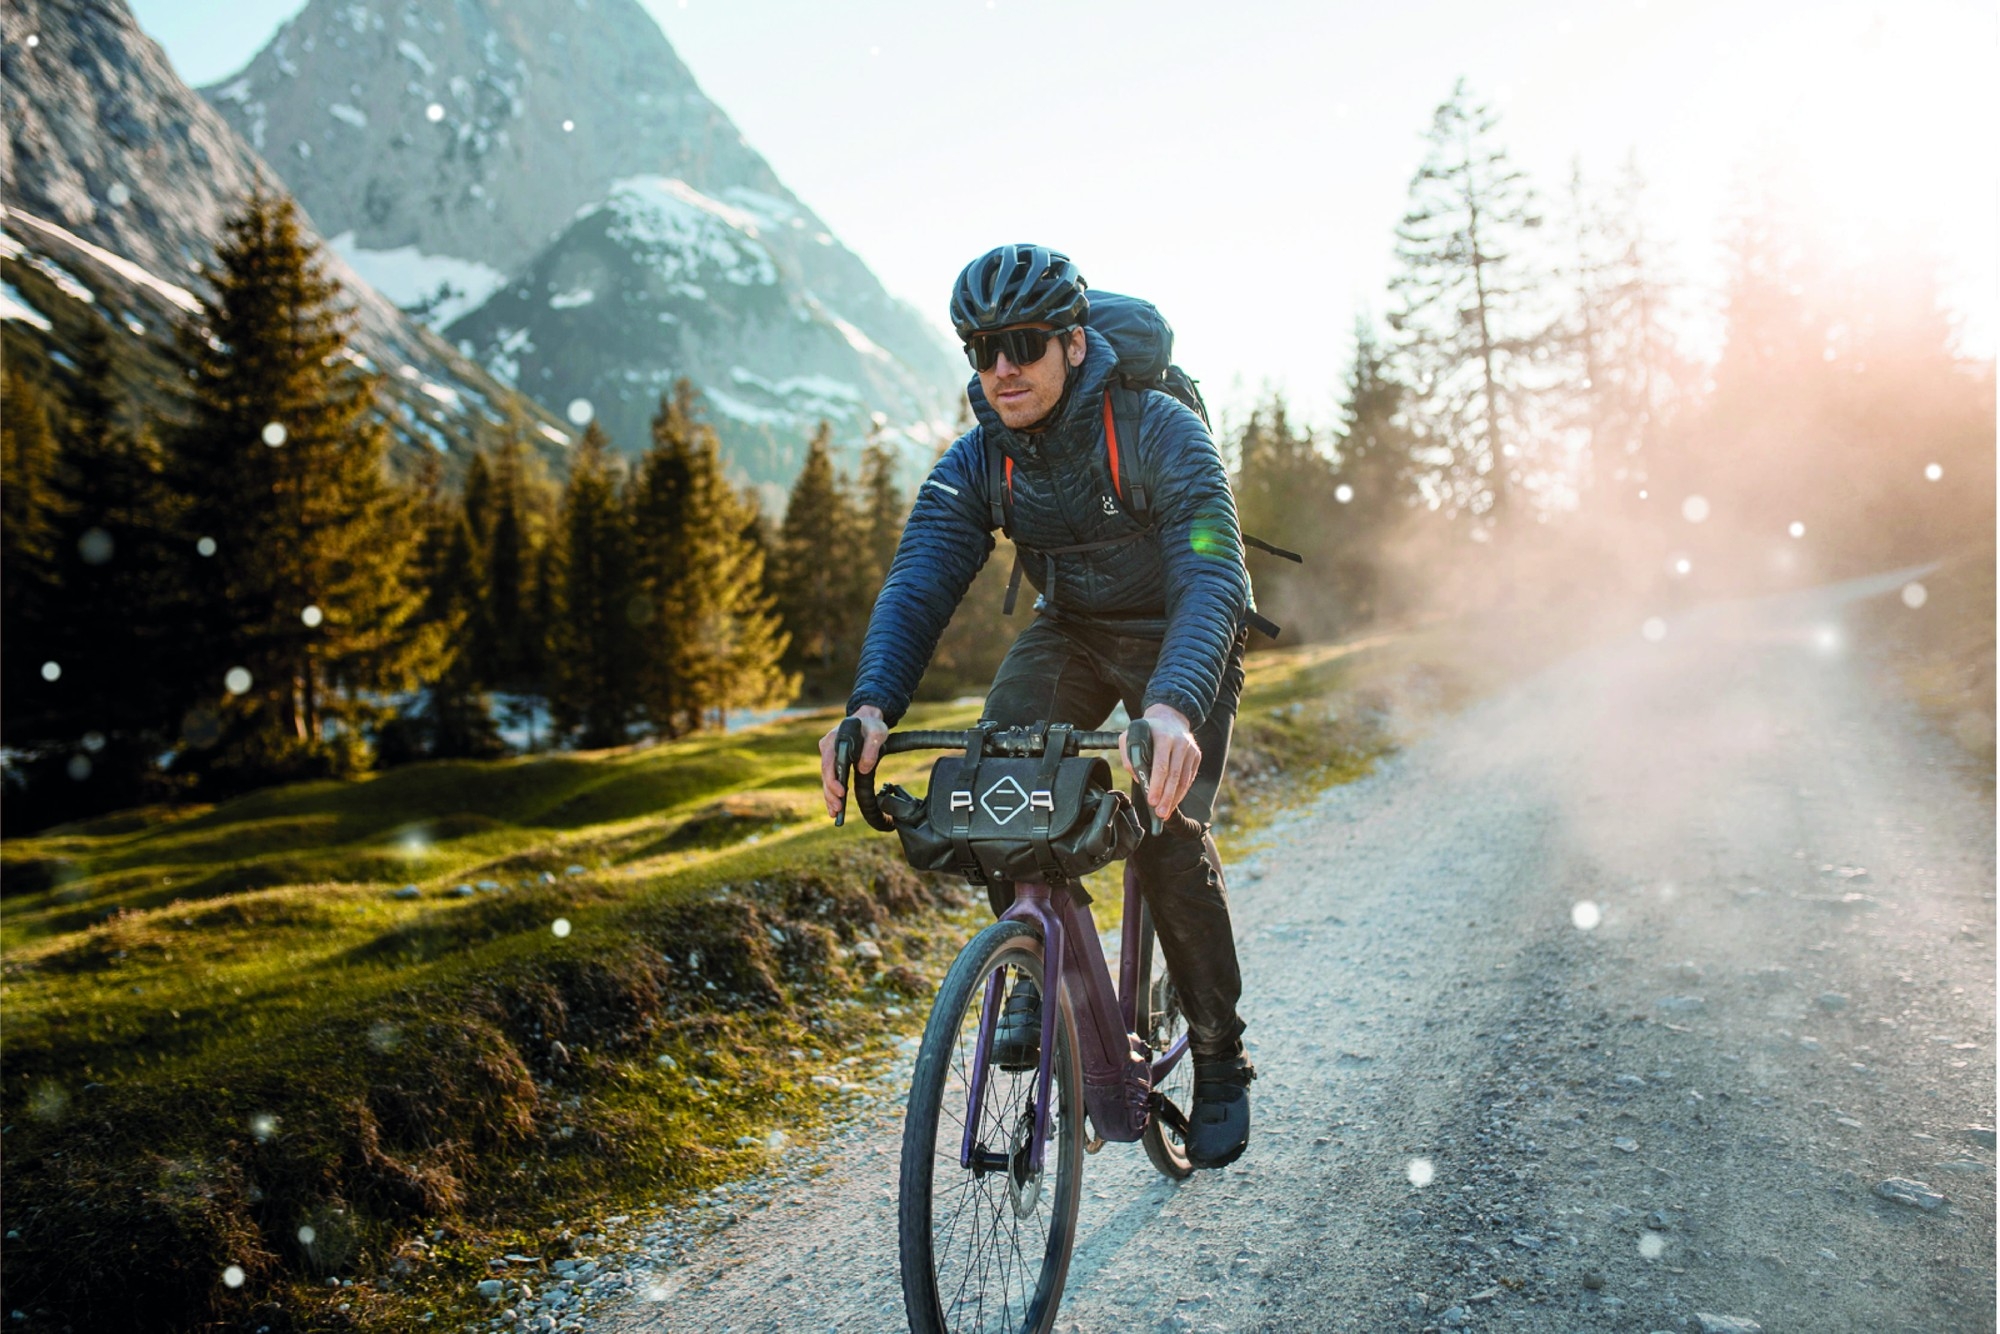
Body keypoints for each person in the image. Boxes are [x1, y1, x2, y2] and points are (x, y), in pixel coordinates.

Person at [818, 244, 1256, 1168]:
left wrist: (1175, 707)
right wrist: (872, 705)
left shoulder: (1158, 428)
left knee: (1166, 831)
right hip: (1075, 630)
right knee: (999, 780)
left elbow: (1214, 568)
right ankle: (1034, 963)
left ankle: (1220, 1053)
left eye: (1023, 344)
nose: (1002, 368)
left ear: (1073, 343)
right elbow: (919, 579)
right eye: (983, 350)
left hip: (1185, 631)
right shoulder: (985, 455)